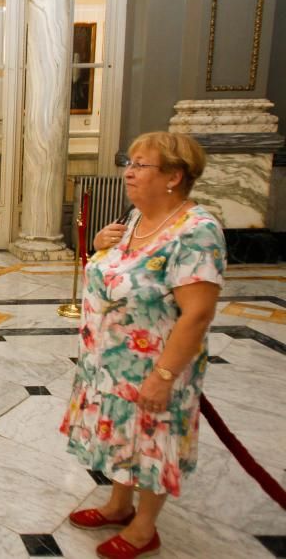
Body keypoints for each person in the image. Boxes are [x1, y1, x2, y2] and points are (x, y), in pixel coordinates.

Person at [61, 131, 225, 559]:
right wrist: (101, 247)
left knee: (153, 442)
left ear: (173, 176)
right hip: (114, 363)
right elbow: (127, 272)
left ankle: (144, 529)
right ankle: (119, 504)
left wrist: (164, 376)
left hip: (156, 366)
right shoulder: (137, 219)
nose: (128, 172)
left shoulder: (197, 231)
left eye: (139, 164)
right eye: (129, 162)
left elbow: (197, 314)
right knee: (124, 436)